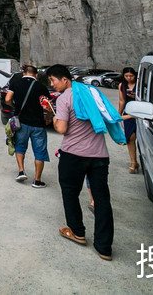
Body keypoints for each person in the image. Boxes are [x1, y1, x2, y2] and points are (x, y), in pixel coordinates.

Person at [47, 64, 123, 261]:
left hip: (73, 155)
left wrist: (54, 120)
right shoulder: (92, 92)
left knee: (70, 192)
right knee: (102, 199)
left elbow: (62, 128)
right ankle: (104, 247)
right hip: (99, 155)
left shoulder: (65, 98)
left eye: (53, 80)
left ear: (65, 79)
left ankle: (77, 232)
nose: (52, 85)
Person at [5, 64, 51, 187]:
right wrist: (48, 117)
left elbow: (8, 99)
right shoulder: (41, 87)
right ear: (36, 75)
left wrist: (15, 107)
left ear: (24, 73)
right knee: (40, 151)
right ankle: (37, 180)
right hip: (38, 124)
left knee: (20, 146)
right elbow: (48, 105)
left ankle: (21, 171)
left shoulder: (15, 83)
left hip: (21, 122)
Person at [117, 67, 139, 173]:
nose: (129, 78)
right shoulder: (122, 85)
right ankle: (133, 162)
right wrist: (118, 114)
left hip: (140, 112)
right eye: (126, 76)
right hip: (129, 113)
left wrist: (136, 96)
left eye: (131, 76)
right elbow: (122, 101)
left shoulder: (140, 84)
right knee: (130, 138)